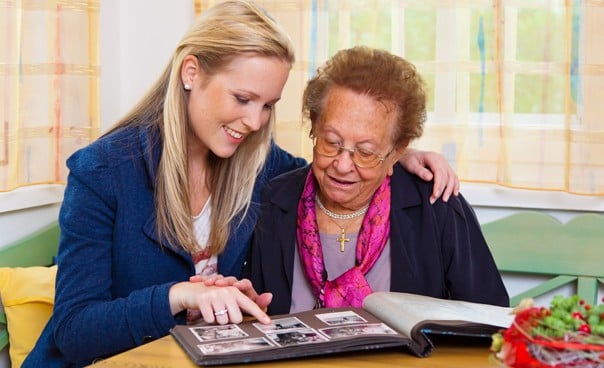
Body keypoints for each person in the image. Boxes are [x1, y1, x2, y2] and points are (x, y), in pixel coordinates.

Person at [24, 1, 459, 366]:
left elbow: (331, 168)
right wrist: (180, 296)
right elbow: (75, 330)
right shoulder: (102, 172)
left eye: (268, 105)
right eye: (243, 99)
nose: (254, 122)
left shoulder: (259, 164)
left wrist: (395, 157)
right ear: (191, 72)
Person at [242, 46, 509, 315]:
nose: (343, 165)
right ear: (314, 127)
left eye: (366, 152)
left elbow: (487, 319)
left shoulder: (436, 205)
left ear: (397, 150)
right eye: (331, 142)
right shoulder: (274, 201)